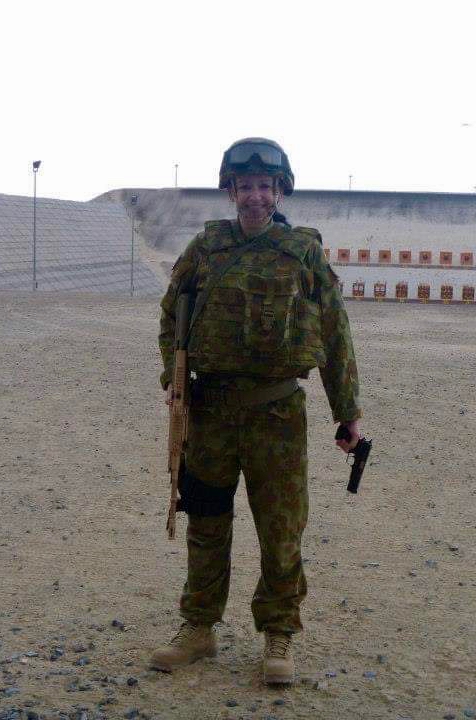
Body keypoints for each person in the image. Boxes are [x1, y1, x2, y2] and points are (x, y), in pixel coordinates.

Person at [152, 137, 363, 684]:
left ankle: (278, 635)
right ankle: (198, 629)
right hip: (211, 412)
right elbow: (172, 313)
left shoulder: (303, 253)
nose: (254, 196)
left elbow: (336, 335)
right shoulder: (206, 250)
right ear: (231, 191)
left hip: (277, 415)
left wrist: (348, 413)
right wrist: (172, 380)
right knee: (206, 522)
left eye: (264, 187)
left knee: (281, 529)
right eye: (244, 187)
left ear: (279, 191)